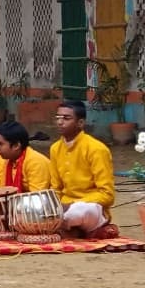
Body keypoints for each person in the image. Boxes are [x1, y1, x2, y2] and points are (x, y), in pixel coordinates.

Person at [48, 100, 118, 238]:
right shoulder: (55, 149)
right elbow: (55, 188)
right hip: (63, 208)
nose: (60, 122)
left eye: (66, 118)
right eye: (58, 118)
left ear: (80, 123)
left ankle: (68, 228)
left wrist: (73, 204)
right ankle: (72, 230)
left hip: (91, 209)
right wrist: (54, 206)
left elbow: (107, 195)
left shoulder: (96, 149)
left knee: (78, 212)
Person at [0, 121, 52, 193]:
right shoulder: (9, 161)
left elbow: (36, 196)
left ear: (16, 145)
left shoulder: (35, 162)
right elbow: (3, 190)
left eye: (0, 144)